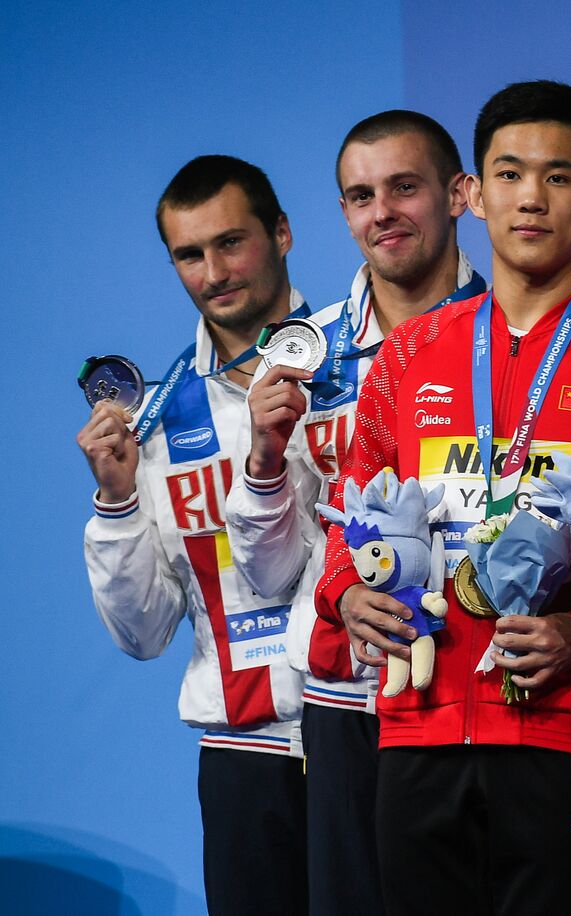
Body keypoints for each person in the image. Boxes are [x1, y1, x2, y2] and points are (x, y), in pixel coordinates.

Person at [314, 81, 571, 915]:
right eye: (509, 173)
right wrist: (346, 592)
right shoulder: (408, 356)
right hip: (417, 723)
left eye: (559, 177)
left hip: (562, 726)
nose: (531, 197)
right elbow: (351, 519)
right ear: (472, 193)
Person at [224, 110, 485, 916]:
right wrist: (265, 461)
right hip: (350, 706)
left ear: (459, 194)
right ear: (342, 213)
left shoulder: (519, 340)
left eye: (404, 187)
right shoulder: (303, 357)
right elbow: (270, 573)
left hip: (484, 695)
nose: (382, 213)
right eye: (360, 196)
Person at [79, 155, 309, 915]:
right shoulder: (155, 419)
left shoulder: (366, 368)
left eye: (232, 243)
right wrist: (115, 503)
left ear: (281, 234)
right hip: (243, 756)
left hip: (374, 726)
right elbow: (143, 634)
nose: (214, 272)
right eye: (188, 254)